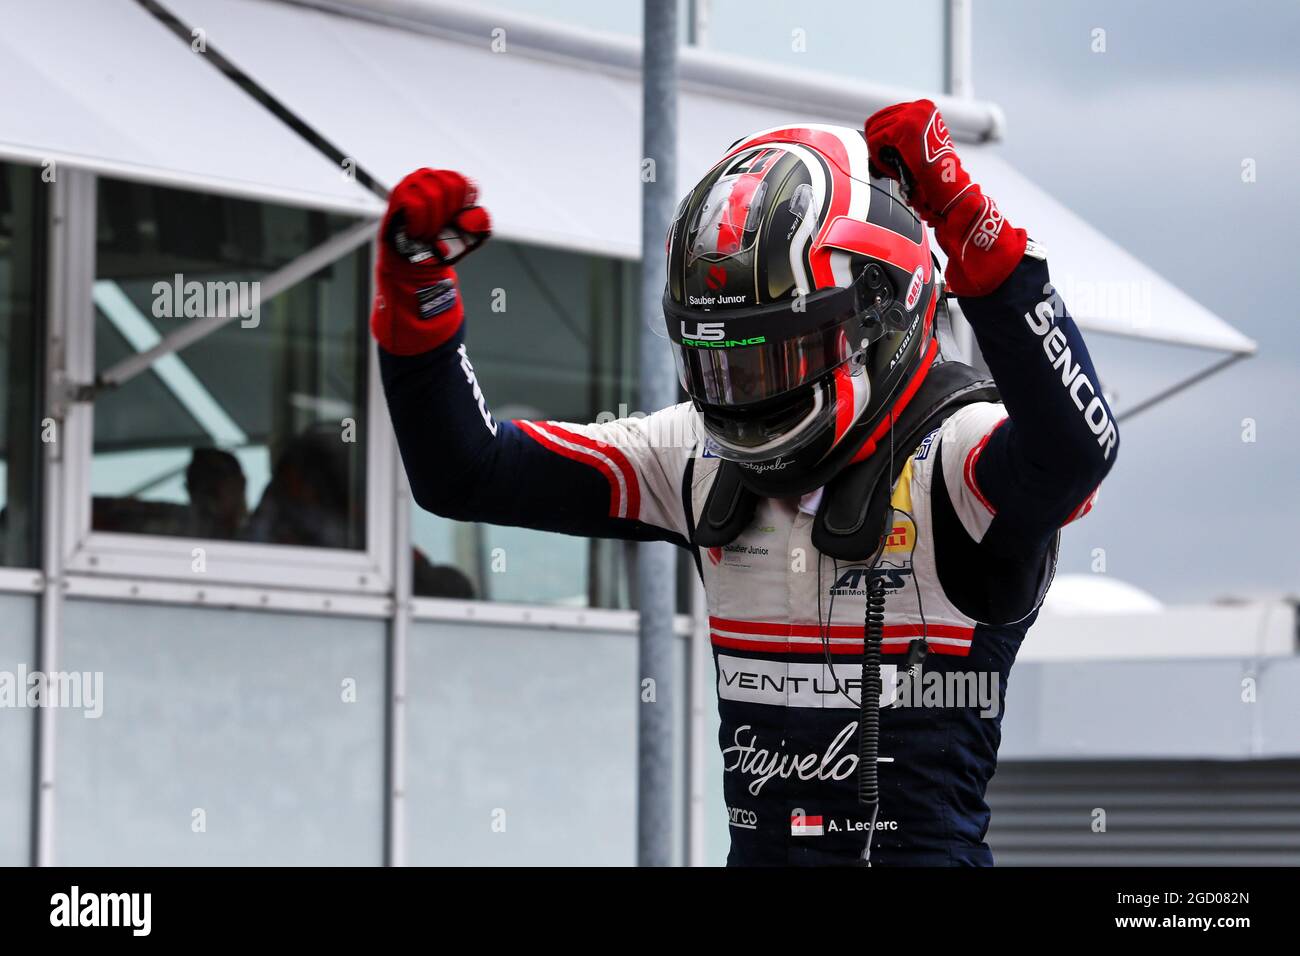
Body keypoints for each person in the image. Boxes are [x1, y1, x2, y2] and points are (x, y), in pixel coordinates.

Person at [372, 101, 1119, 866]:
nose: (743, 393)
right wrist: (418, 298)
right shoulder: (694, 452)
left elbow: (1077, 449)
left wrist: (968, 218)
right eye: (718, 362)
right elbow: (466, 473)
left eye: (778, 356)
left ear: (878, 315)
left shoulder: (956, 454)